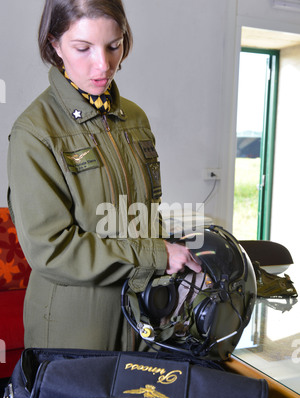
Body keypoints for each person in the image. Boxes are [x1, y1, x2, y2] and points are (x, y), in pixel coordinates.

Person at [7, 0, 201, 352]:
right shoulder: (35, 132)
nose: (104, 64)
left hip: (143, 320)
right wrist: (156, 255)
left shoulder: (135, 118)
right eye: (83, 48)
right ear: (55, 45)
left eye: (114, 46)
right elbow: (51, 249)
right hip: (75, 331)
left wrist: (177, 249)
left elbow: (143, 215)